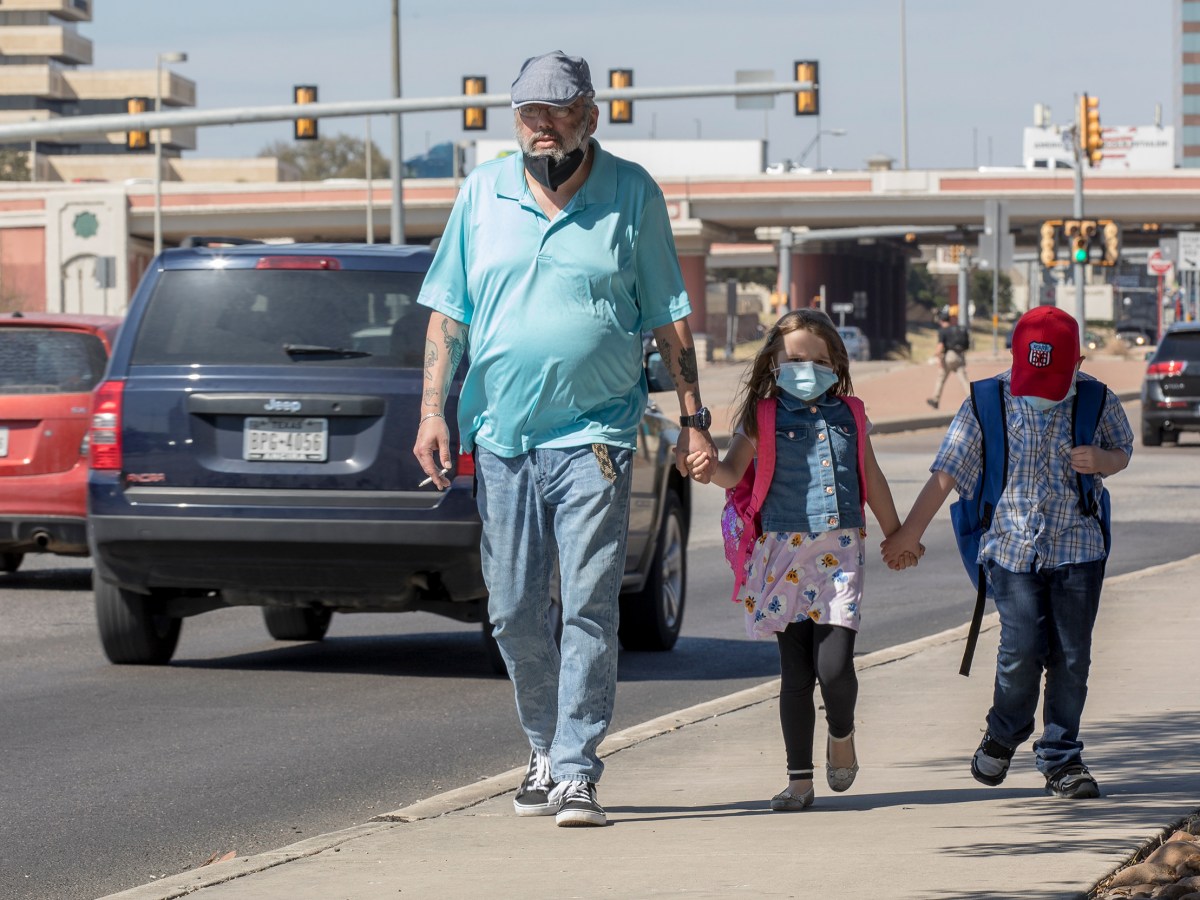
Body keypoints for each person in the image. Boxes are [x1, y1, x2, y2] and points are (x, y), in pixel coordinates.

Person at [412, 51, 717, 828]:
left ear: (589, 112)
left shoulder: (631, 194)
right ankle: (542, 746)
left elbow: (669, 317)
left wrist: (693, 417)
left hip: (597, 436)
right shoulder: (482, 193)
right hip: (504, 436)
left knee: (586, 603)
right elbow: (449, 315)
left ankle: (577, 767)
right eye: (527, 112)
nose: (539, 125)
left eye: (554, 110)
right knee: (513, 609)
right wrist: (432, 412)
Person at [883, 306, 1133, 799]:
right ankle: (1004, 731)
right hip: (1010, 550)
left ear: (1078, 363)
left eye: (1053, 382)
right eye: (1031, 379)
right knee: (1020, 650)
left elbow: (1122, 449)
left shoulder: (1098, 399)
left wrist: (1103, 461)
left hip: (1077, 549)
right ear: (1015, 359)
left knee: (1071, 658)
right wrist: (909, 533)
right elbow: (946, 472)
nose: (1040, 393)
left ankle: (1063, 759)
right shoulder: (984, 402)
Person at [687, 309, 917, 812]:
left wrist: (897, 534)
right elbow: (732, 474)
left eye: (818, 358)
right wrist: (707, 470)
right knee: (795, 674)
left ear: (836, 363)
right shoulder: (761, 417)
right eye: (795, 359)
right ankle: (798, 781)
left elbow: (871, 476)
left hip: (839, 554)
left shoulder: (852, 414)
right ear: (774, 362)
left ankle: (842, 731)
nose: (806, 367)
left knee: (833, 667)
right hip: (780, 554)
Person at [927, 309, 971, 409]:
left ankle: (935, 399)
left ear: (941, 321)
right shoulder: (956, 329)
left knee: (941, 378)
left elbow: (940, 346)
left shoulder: (943, 331)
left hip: (949, 356)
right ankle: (972, 398)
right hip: (960, 356)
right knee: (963, 379)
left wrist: (937, 357)